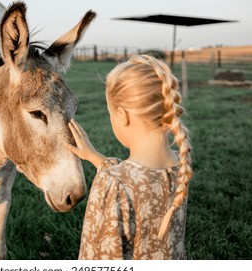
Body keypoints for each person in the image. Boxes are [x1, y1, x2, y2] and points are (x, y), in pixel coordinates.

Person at [66, 54, 192, 260]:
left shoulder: (112, 184)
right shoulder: (180, 165)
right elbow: (138, 180)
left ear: (122, 115)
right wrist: (95, 157)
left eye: (110, 112)